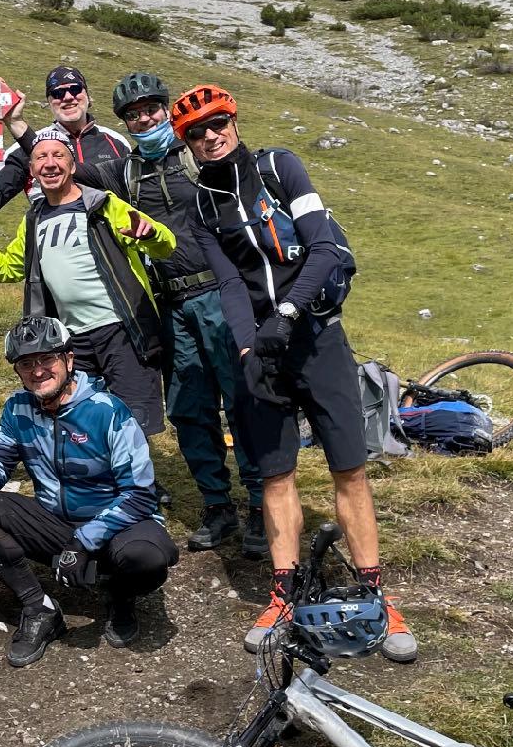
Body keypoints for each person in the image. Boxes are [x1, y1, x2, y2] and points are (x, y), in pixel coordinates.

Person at [173, 84, 416, 664]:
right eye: (196, 133)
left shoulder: (279, 167)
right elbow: (229, 283)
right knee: (275, 474)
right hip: (261, 349)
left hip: (316, 339)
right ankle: (282, 596)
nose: (210, 137)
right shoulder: (201, 205)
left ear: (234, 120)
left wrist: (286, 314)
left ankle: (376, 595)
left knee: (348, 468)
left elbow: (325, 249)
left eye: (218, 123)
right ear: (187, 144)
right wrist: (247, 347)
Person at [93, 72, 266, 557]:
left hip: (220, 293)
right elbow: (60, 168)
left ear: (166, 110)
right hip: (169, 303)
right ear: (124, 123)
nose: (144, 119)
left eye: (151, 109)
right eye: (133, 115)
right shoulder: (126, 172)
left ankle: (261, 503)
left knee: (242, 400)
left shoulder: (197, 153)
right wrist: (20, 126)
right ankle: (217, 504)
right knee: (189, 408)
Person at [0, 316, 178, 667]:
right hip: (57, 525)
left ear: (69, 359)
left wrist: (83, 542)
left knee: (148, 558)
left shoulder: (108, 411)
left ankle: (120, 595)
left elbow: (140, 495)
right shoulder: (17, 408)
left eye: (46, 359)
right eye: (26, 363)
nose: (37, 371)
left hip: (117, 527)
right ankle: (39, 608)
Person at [0, 135, 174, 438]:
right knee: (80, 425)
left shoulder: (102, 204)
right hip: (71, 340)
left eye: (58, 156)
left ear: (73, 166)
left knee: (133, 423)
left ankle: (135, 470)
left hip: (123, 331)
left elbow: (165, 245)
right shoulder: (34, 219)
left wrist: (151, 235)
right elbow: (7, 268)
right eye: (41, 158)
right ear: (32, 170)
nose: (50, 164)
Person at [0, 65, 130, 214]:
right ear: (49, 102)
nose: (68, 97)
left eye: (75, 89)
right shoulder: (23, 148)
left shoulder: (116, 142)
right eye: (58, 93)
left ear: (88, 96)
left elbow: (133, 196)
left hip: (111, 242)